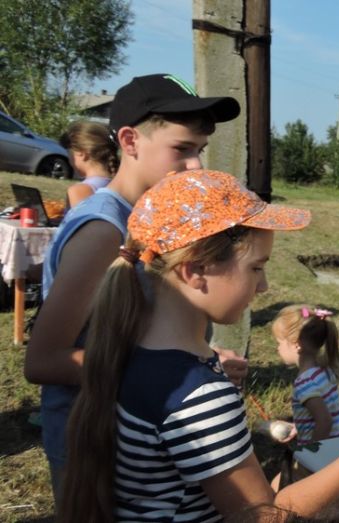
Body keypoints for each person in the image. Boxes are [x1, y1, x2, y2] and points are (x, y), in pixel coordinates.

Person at [60, 169, 339, 521]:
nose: (263, 287)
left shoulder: (132, 353)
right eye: (256, 268)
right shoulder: (198, 396)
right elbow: (264, 517)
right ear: (195, 270)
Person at [23, 73, 243, 510]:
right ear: (129, 140)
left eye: (200, 151)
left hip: (131, 434)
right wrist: (168, 373)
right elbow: (43, 361)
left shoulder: (144, 218)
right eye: (181, 150)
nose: (195, 167)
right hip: (90, 442)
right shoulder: (105, 229)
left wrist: (194, 361)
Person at [273, 304, 339, 445]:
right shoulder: (324, 371)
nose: (277, 348)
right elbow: (328, 411)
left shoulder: (305, 384)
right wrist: (301, 427)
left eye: (279, 343)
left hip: (325, 454)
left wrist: (311, 452)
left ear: (296, 345)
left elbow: (325, 421)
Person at [58, 120, 118, 209]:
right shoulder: (120, 187)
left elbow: (80, 222)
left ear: (81, 154)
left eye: (69, 154)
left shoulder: (79, 191)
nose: (70, 160)